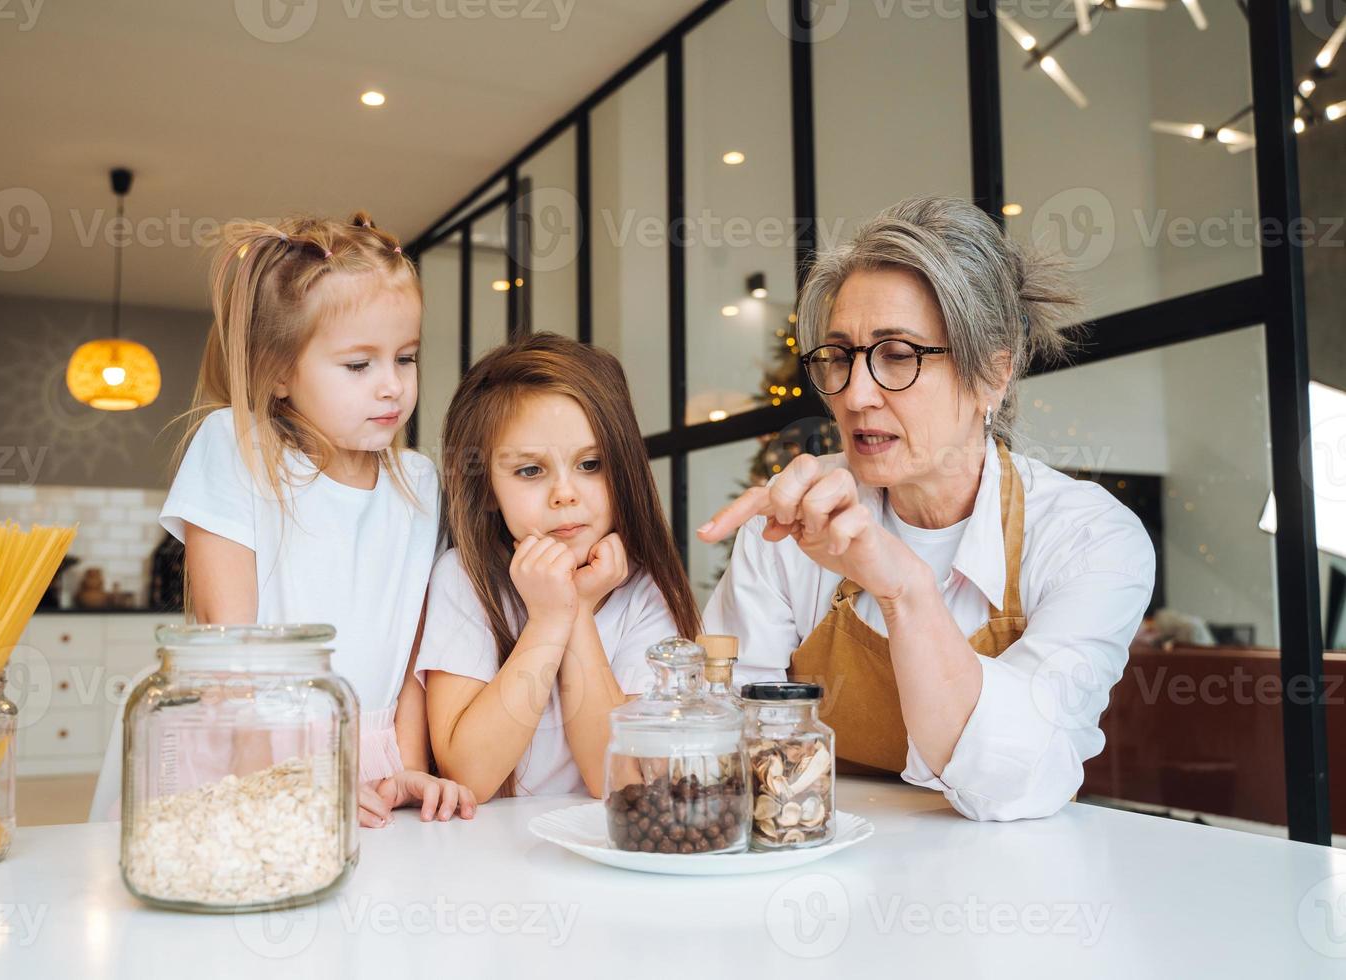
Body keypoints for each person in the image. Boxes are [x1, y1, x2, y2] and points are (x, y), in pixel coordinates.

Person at [699, 197, 1156, 821]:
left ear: (992, 377)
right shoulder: (793, 524)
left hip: (1012, 895)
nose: (857, 395)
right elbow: (723, 738)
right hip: (821, 875)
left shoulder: (1089, 539)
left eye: (899, 355)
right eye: (839, 357)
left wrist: (904, 588)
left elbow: (1019, 779)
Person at [90, 211, 474, 827]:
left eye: (405, 358)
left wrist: (406, 763)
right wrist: (279, 784)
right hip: (245, 753)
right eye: (358, 364)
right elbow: (228, 644)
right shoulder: (235, 447)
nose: (391, 386)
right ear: (277, 374)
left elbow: (408, 661)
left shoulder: (421, 485)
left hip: (366, 758)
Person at [418, 334, 700, 799]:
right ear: (487, 488)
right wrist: (549, 618)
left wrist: (579, 611)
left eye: (591, 464)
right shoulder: (463, 579)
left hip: (600, 853)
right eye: (530, 471)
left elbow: (622, 781)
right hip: (485, 856)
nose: (565, 494)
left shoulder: (643, 590)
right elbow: (469, 774)